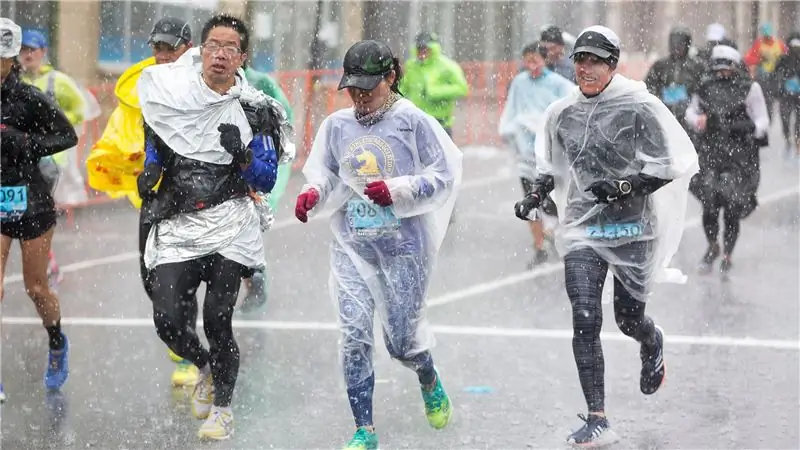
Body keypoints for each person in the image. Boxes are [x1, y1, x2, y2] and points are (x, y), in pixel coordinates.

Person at [513, 25, 698, 447]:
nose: (586, 68)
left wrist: (623, 187)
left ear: (613, 65)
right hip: (582, 229)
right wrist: (536, 195)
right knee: (584, 316)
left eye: (596, 61)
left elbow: (668, 165)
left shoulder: (639, 107)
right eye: (580, 60)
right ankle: (597, 417)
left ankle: (651, 339)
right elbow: (551, 166)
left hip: (632, 228)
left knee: (628, 319)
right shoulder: (562, 112)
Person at [294, 39, 462, 450]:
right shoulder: (337, 126)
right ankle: (364, 429)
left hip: (405, 248)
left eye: (368, 87)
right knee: (353, 334)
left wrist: (399, 189)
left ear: (391, 77)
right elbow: (328, 176)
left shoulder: (413, 122)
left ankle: (427, 374)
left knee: (401, 342)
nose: (360, 97)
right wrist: (314, 193)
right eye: (353, 88)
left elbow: (443, 175)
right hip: (353, 245)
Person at [137, 14, 285, 440]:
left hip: (230, 221)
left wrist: (241, 154)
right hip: (181, 218)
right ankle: (204, 366)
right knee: (166, 319)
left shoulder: (257, 111)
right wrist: (150, 168)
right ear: (201, 51)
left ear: (242, 57)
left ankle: (223, 408)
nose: (220, 54)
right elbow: (158, 137)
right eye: (213, 45)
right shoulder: (173, 95)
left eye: (230, 47)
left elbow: (266, 178)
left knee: (218, 319)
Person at [85, 17, 200, 388]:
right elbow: (120, 138)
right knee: (153, 282)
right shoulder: (139, 90)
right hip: (155, 199)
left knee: (183, 281)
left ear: (187, 47)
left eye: (171, 48)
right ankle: (182, 340)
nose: (164, 55)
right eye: (158, 48)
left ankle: (191, 355)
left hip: (197, 199)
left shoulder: (207, 83)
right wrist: (128, 162)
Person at [0, 17, 79, 397]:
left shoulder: (29, 97)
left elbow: (68, 134)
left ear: (12, 59)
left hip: (32, 201)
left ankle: (57, 342)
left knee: (35, 287)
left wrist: (24, 143)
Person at [685, 45, 769, 279]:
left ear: (735, 67)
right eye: (719, 67)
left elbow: (763, 120)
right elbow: (690, 113)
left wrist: (751, 128)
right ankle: (713, 245)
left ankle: (728, 255)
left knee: (732, 204)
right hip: (710, 154)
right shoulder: (704, 87)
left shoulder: (750, 88)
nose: (723, 72)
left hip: (739, 157)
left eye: (727, 67)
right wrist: (698, 120)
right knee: (710, 203)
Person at [19, 29, 88, 288]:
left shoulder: (57, 82)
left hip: (49, 159)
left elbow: (81, 109)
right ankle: (46, 263)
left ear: (43, 52)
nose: (28, 55)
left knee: (33, 211)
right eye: (24, 49)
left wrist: (54, 127)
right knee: (23, 213)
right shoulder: (13, 80)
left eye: (32, 50)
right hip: (20, 156)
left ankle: (47, 264)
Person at [498, 41, 573, 268]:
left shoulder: (558, 84)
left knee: (552, 202)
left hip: (549, 154)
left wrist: (546, 124)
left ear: (544, 60)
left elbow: (570, 107)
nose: (531, 65)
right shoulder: (519, 83)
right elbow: (512, 110)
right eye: (527, 60)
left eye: (535, 60)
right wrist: (508, 129)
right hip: (525, 152)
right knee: (528, 202)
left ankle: (559, 237)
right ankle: (539, 245)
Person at [239, 63, 296, 312]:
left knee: (248, 220)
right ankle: (251, 275)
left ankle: (254, 277)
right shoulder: (205, 81)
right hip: (227, 168)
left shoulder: (260, 81)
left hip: (258, 163)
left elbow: (285, 116)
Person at [644, 26, 706, 132]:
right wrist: (659, 101)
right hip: (663, 115)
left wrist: (691, 106)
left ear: (687, 44)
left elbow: (704, 91)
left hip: (689, 117)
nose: (677, 47)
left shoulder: (696, 66)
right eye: (674, 43)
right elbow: (649, 87)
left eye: (681, 43)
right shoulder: (660, 65)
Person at [774, 32, 800, 157]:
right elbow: (776, 73)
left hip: (798, 96)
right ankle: (788, 140)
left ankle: (797, 141)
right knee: (785, 119)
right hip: (785, 95)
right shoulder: (783, 59)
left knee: (799, 121)